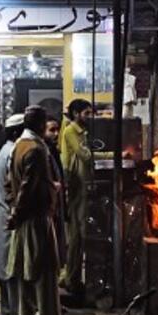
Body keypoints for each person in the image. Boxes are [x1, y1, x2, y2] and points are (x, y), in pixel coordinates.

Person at [6, 106, 62, 315]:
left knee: (26, 271)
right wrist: (17, 213)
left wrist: (14, 212)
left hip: (25, 217)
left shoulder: (18, 145)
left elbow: (11, 182)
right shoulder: (36, 150)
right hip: (36, 218)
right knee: (43, 271)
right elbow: (27, 188)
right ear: (40, 124)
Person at [58, 99, 93, 300]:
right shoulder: (72, 131)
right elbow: (85, 155)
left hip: (80, 187)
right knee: (77, 235)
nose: (90, 117)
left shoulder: (79, 132)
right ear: (76, 113)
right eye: (87, 113)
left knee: (78, 237)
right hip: (76, 187)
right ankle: (71, 278)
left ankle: (70, 276)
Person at [0, 113, 24, 315]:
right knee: (12, 272)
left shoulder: (5, 150)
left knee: (6, 271)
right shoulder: (12, 152)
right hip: (10, 216)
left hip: (4, 214)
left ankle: (8, 314)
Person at [44, 117, 68, 269]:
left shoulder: (53, 150)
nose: (56, 133)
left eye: (57, 130)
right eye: (51, 130)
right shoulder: (43, 152)